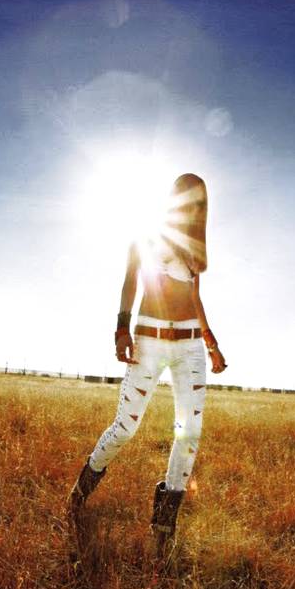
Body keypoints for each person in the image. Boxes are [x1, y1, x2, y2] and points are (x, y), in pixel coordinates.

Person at [69, 173, 227, 561]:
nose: (192, 205)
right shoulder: (146, 231)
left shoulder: (195, 248)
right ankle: (81, 490)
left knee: (189, 432)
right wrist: (121, 327)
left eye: (199, 201)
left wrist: (211, 343)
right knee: (126, 427)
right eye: (186, 196)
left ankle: (164, 524)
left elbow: (195, 299)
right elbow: (130, 281)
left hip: (190, 345)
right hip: (149, 338)